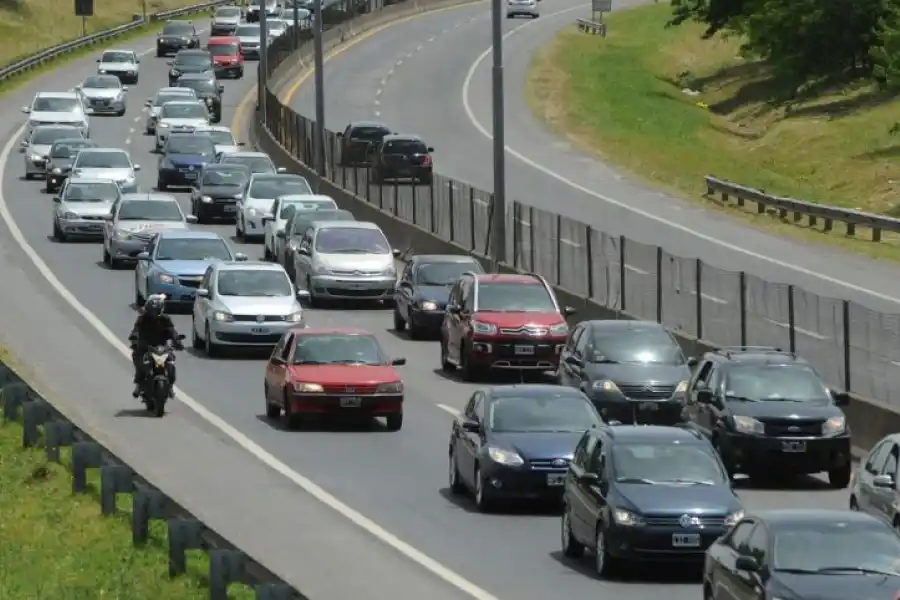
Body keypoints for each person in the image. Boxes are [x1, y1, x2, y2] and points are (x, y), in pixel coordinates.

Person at [129, 294, 182, 398]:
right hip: (146, 346)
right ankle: (139, 383)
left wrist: (177, 341)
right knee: (138, 358)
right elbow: (136, 330)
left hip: (162, 347)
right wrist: (134, 339)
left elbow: (172, 331)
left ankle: (170, 386)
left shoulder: (165, 319)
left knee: (171, 360)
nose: (154, 313)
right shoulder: (143, 319)